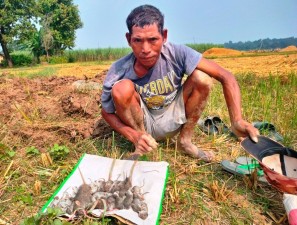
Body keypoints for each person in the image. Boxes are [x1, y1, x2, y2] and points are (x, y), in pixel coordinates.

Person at [101, 4, 259, 161]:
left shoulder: (177, 53)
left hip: (174, 114)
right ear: (129, 39)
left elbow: (226, 76)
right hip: (143, 121)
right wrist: (134, 135)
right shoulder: (119, 69)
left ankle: (184, 142)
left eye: (153, 39)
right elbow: (106, 112)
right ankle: (143, 144)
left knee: (202, 77)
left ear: (164, 36)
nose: (146, 49)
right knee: (121, 89)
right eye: (138, 40)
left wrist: (237, 120)